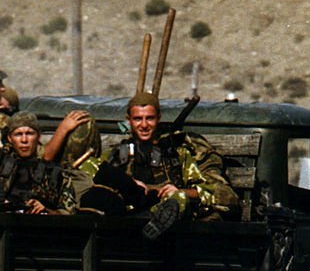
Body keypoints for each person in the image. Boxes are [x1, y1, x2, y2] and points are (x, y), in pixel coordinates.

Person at [89, 91, 238, 236]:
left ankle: (153, 218)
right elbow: (88, 177)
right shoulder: (118, 155)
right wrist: (128, 184)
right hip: (126, 221)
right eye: (138, 119)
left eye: (150, 118)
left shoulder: (177, 154)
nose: (144, 125)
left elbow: (224, 195)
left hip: (174, 225)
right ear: (129, 120)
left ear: (158, 118)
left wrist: (181, 192)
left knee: (176, 201)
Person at [0, 112, 76, 214]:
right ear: (10, 138)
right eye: (18, 134)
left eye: (29, 133)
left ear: (38, 136)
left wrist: (45, 210)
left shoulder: (57, 172)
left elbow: (69, 215)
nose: (24, 140)